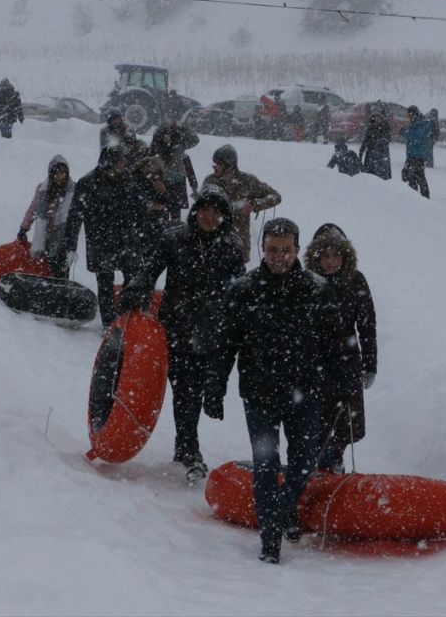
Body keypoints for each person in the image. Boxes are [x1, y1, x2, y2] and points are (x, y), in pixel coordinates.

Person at [202, 218, 341, 565]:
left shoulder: (318, 290)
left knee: (304, 463)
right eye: (273, 249)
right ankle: (270, 536)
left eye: (286, 249)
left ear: (298, 250)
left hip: (305, 393)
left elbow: (334, 347)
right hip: (259, 393)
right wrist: (215, 387)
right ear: (262, 249)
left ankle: (283, 508)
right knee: (266, 465)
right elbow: (225, 344)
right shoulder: (243, 289)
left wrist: (340, 388)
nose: (280, 256)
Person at [119, 185, 245, 482]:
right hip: (174, 327)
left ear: (224, 216)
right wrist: (134, 290)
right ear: (196, 211)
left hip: (209, 332)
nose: (210, 217)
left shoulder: (231, 246)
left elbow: (240, 288)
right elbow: (151, 270)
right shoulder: (175, 238)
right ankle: (178, 444)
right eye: (205, 210)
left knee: (192, 392)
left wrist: (243, 317)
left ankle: (187, 446)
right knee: (174, 388)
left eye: (216, 212)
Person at [303, 224, 377, 475]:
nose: (331, 261)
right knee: (315, 419)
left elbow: (367, 326)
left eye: (336, 255)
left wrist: (369, 365)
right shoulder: (307, 282)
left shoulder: (355, 281)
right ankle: (314, 464)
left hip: (347, 361)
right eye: (325, 256)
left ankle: (335, 458)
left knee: (346, 421)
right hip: (315, 361)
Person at [65, 146, 151, 327]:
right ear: (108, 163)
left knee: (133, 278)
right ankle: (108, 324)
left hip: (127, 239)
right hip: (100, 241)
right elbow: (75, 216)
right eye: (120, 162)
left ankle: (128, 319)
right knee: (105, 282)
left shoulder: (127, 179)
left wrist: (142, 230)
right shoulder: (88, 183)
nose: (123, 165)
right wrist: (71, 246)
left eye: (124, 161)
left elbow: (140, 206)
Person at [201, 145, 282, 263]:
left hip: (239, 244)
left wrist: (254, 204)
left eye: (218, 163)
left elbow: (275, 196)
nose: (214, 166)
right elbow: (199, 207)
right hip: (213, 242)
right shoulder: (210, 181)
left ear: (229, 165)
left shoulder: (248, 181)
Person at [18, 156, 76, 279]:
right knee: (48, 269)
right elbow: (33, 209)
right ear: (51, 174)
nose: (60, 177)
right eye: (56, 173)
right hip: (47, 237)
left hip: (65, 237)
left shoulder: (73, 191)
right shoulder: (43, 190)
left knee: (62, 270)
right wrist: (24, 228)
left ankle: (60, 287)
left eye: (63, 173)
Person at [149, 122, 200, 222]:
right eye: (165, 134)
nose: (167, 137)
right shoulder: (156, 149)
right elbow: (149, 168)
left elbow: (195, 140)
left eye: (169, 134)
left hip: (177, 184)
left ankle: (174, 228)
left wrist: (181, 127)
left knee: (175, 215)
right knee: (160, 214)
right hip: (161, 185)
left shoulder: (179, 145)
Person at [400, 105, 432, 198]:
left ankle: (423, 197)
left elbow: (417, 138)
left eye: (410, 114)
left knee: (418, 177)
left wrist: (405, 133)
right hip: (412, 155)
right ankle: (413, 196)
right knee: (409, 176)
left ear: (414, 114)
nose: (409, 117)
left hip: (418, 155)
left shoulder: (421, 123)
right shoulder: (415, 123)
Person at [358, 103, 392, 180]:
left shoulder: (385, 126)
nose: (376, 118)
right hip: (370, 154)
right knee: (369, 177)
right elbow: (366, 140)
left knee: (381, 177)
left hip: (381, 155)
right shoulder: (371, 126)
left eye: (378, 116)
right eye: (375, 116)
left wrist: (379, 145)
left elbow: (387, 139)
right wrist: (361, 152)